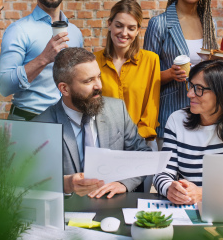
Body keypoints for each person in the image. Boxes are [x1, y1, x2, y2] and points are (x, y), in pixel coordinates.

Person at [34, 48, 150, 198]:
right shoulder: (42, 126)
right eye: (88, 81)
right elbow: (31, 181)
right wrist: (67, 184)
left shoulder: (117, 109)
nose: (99, 86)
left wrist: (124, 183)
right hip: (68, 211)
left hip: (113, 205)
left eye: (98, 77)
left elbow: (142, 154)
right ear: (64, 88)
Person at [154, 60, 223, 205]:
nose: (190, 94)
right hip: (186, 208)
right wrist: (170, 189)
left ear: (222, 93)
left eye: (199, 89)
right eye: (190, 86)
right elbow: (162, 172)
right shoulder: (176, 120)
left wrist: (203, 193)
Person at [0, 0, 83, 121]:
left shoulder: (75, 33)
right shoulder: (19, 30)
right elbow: (4, 86)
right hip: (28, 120)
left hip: (66, 122)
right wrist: (43, 58)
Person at [143, 0, 218, 142]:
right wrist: (169, 74)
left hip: (204, 115)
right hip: (170, 112)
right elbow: (144, 76)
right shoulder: (159, 24)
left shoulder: (209, 25)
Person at [95, 0, 160, 141]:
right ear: (109, 24)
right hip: (102, 141)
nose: (124, 33)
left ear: (138, 31)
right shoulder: (93, 61)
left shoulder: (151, 61)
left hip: (139, 142)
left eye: (131, 28)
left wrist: (134, 139)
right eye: (119, 26)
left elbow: (151, 109)